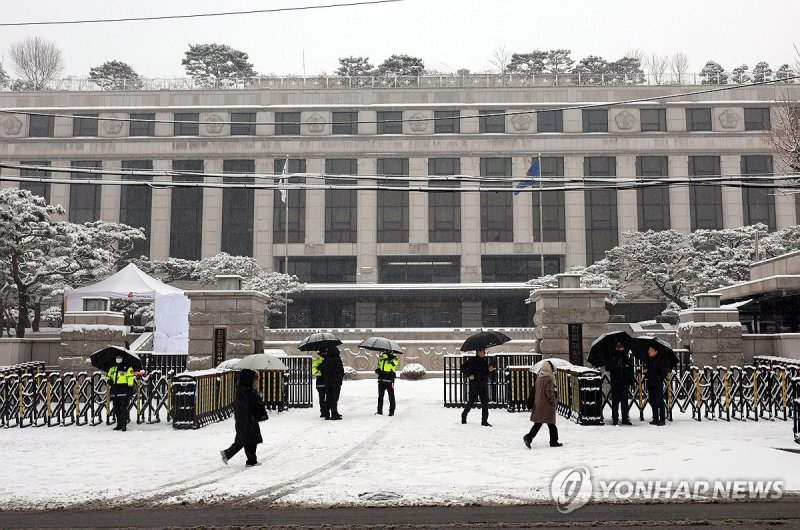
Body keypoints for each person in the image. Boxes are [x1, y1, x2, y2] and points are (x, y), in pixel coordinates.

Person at [221, 369, 265, 467]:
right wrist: (258, 397)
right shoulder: (246, 391)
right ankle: (228, 454)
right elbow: (250, 404)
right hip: (247, 420)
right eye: (255, 380)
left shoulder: (244, 390)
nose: (256, 382)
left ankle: (251, 460)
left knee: (249, 440)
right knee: (244, 440)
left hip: (246, 420)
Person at [523, 360, 562, 448]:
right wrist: (554, 401)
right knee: (551, 424)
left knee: (538, 423)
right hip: (547, 404)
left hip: (539, 403)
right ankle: (553, 442)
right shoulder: (548, 378)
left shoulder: (539, 377)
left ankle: (528, 437)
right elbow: (549, 391)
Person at [460, 348, 496, 427]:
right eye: (483, 352)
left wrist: (489, 370)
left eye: (484, 351)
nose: (484, 353)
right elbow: (462, 367)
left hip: (483, 385)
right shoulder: (472, 360)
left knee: (485, 403)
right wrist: (469, 375)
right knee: (471, 402)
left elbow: (486, 373)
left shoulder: (484, 361)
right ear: (478, 352)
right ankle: (464, 414)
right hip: (474, 385)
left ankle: (484, 421)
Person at [608, 341, 634, 426]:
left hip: (624, 381)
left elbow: (630, 369)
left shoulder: (626, 357)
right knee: (615, 400)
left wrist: (630, 379)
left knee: (624, 400)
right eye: (618, 346)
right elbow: (608, 367)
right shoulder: (612, 356)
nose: (619, 348)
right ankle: (615, 417)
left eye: (621, 346)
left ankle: (625, 417)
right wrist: (616, 365)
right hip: (616, 381)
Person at [107, 355, 135, 431]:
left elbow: (130, 378)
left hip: (123, 391)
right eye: (117, 357)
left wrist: (130, 388)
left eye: (120, 357)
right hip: (114, 391)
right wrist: (109, 380)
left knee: (123, 409)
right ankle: (118, 424)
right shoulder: (112, 368)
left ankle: (123, 424)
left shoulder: (127, 367)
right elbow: (108, 376)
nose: (118, 359)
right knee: (117, 409)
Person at [643, 345, 668, 426]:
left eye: (651, 350)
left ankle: (662, 419)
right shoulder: (648, 360)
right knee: (652, 400)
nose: (649, 351)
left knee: (659, 400)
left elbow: (663, 372)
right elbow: (647, 371)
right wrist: (645, 371)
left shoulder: (660, 360)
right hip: (650, 382)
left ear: (656, 351)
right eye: (648, 350)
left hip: (657, 382)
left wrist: (658, 377)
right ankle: (655, 418)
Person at [321, 345, 344, 420]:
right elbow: (341, 371)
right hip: (336, 382)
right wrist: (340, 379)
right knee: (334, 398)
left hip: (328, 382)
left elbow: (322, 371)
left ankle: (327, 414)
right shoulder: (337, 360)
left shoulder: (325, 359)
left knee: (328, 397)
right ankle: (334, 413)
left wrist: (326, 378)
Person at [375, 351, 398, 416]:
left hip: (389, 379)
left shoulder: (394, 357)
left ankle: (391, 411)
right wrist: (378, 370)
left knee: (391, 396)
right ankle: (379, 411)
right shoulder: (381, 357)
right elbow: (379, 366)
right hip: (381, 379)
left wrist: (391, 359)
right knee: (380, 396)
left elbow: (394, 364)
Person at [312, 348, 327, 418]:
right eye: (323, 352)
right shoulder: (316, 361)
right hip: (321, 380)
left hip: (324, 381)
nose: (324, 354)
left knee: (325, 398)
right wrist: (322, 371)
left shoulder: (328, 360)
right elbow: (314, 371)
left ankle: (325, 411)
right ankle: (323, 412)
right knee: (322, 398)